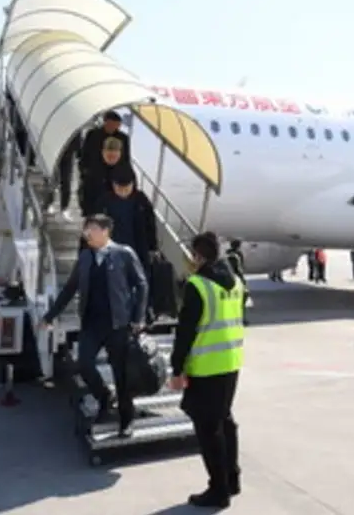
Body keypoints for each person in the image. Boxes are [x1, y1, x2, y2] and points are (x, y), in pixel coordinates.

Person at [40, 214, 148, 436]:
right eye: (86, 229)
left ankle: (126, 419)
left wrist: (138, 318)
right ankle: (104, 396)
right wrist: (50, 316)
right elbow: (70, 288)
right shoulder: (85, 257)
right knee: (84, 364)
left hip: (118, 324)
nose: (87, 233)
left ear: (105, 231)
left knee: (121, 373)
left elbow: (141, 284)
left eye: (92, 229)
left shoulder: (123, 253)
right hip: (91, 323)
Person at [169, 231, 245, 508]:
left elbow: (185, 332)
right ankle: (232, 479)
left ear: (198, 256)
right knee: (225, 421)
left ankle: (218, 489)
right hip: (231, 361)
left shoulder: (198, 285)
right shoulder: (235, 282)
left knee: (208, 429)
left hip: (205, 365)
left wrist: (177, 368)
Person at [95, 167, 158, 271]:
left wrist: (153, 247)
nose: (123, 192)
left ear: (133, 184)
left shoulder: (141, 201)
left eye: (127, 189)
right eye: (120, 189)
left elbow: (150, 225)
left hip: (137, 249)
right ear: (113, 185)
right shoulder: (104, 202)